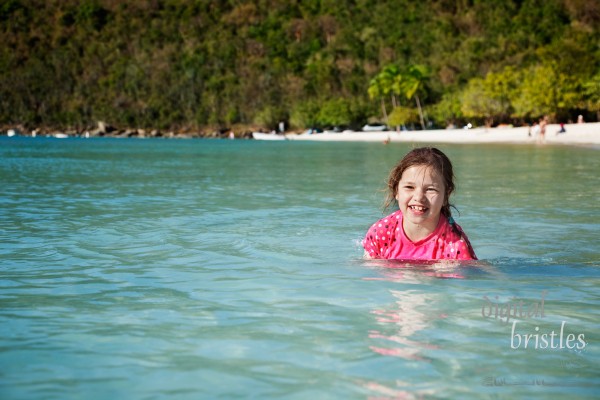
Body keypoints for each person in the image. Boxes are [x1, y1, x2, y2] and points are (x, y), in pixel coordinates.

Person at [363, 147, 476, 260]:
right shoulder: (381, 232)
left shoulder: (455, 245)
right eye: (409, 187)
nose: (419, 197)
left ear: (446, 196)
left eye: (431, 189)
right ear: (396, 190)